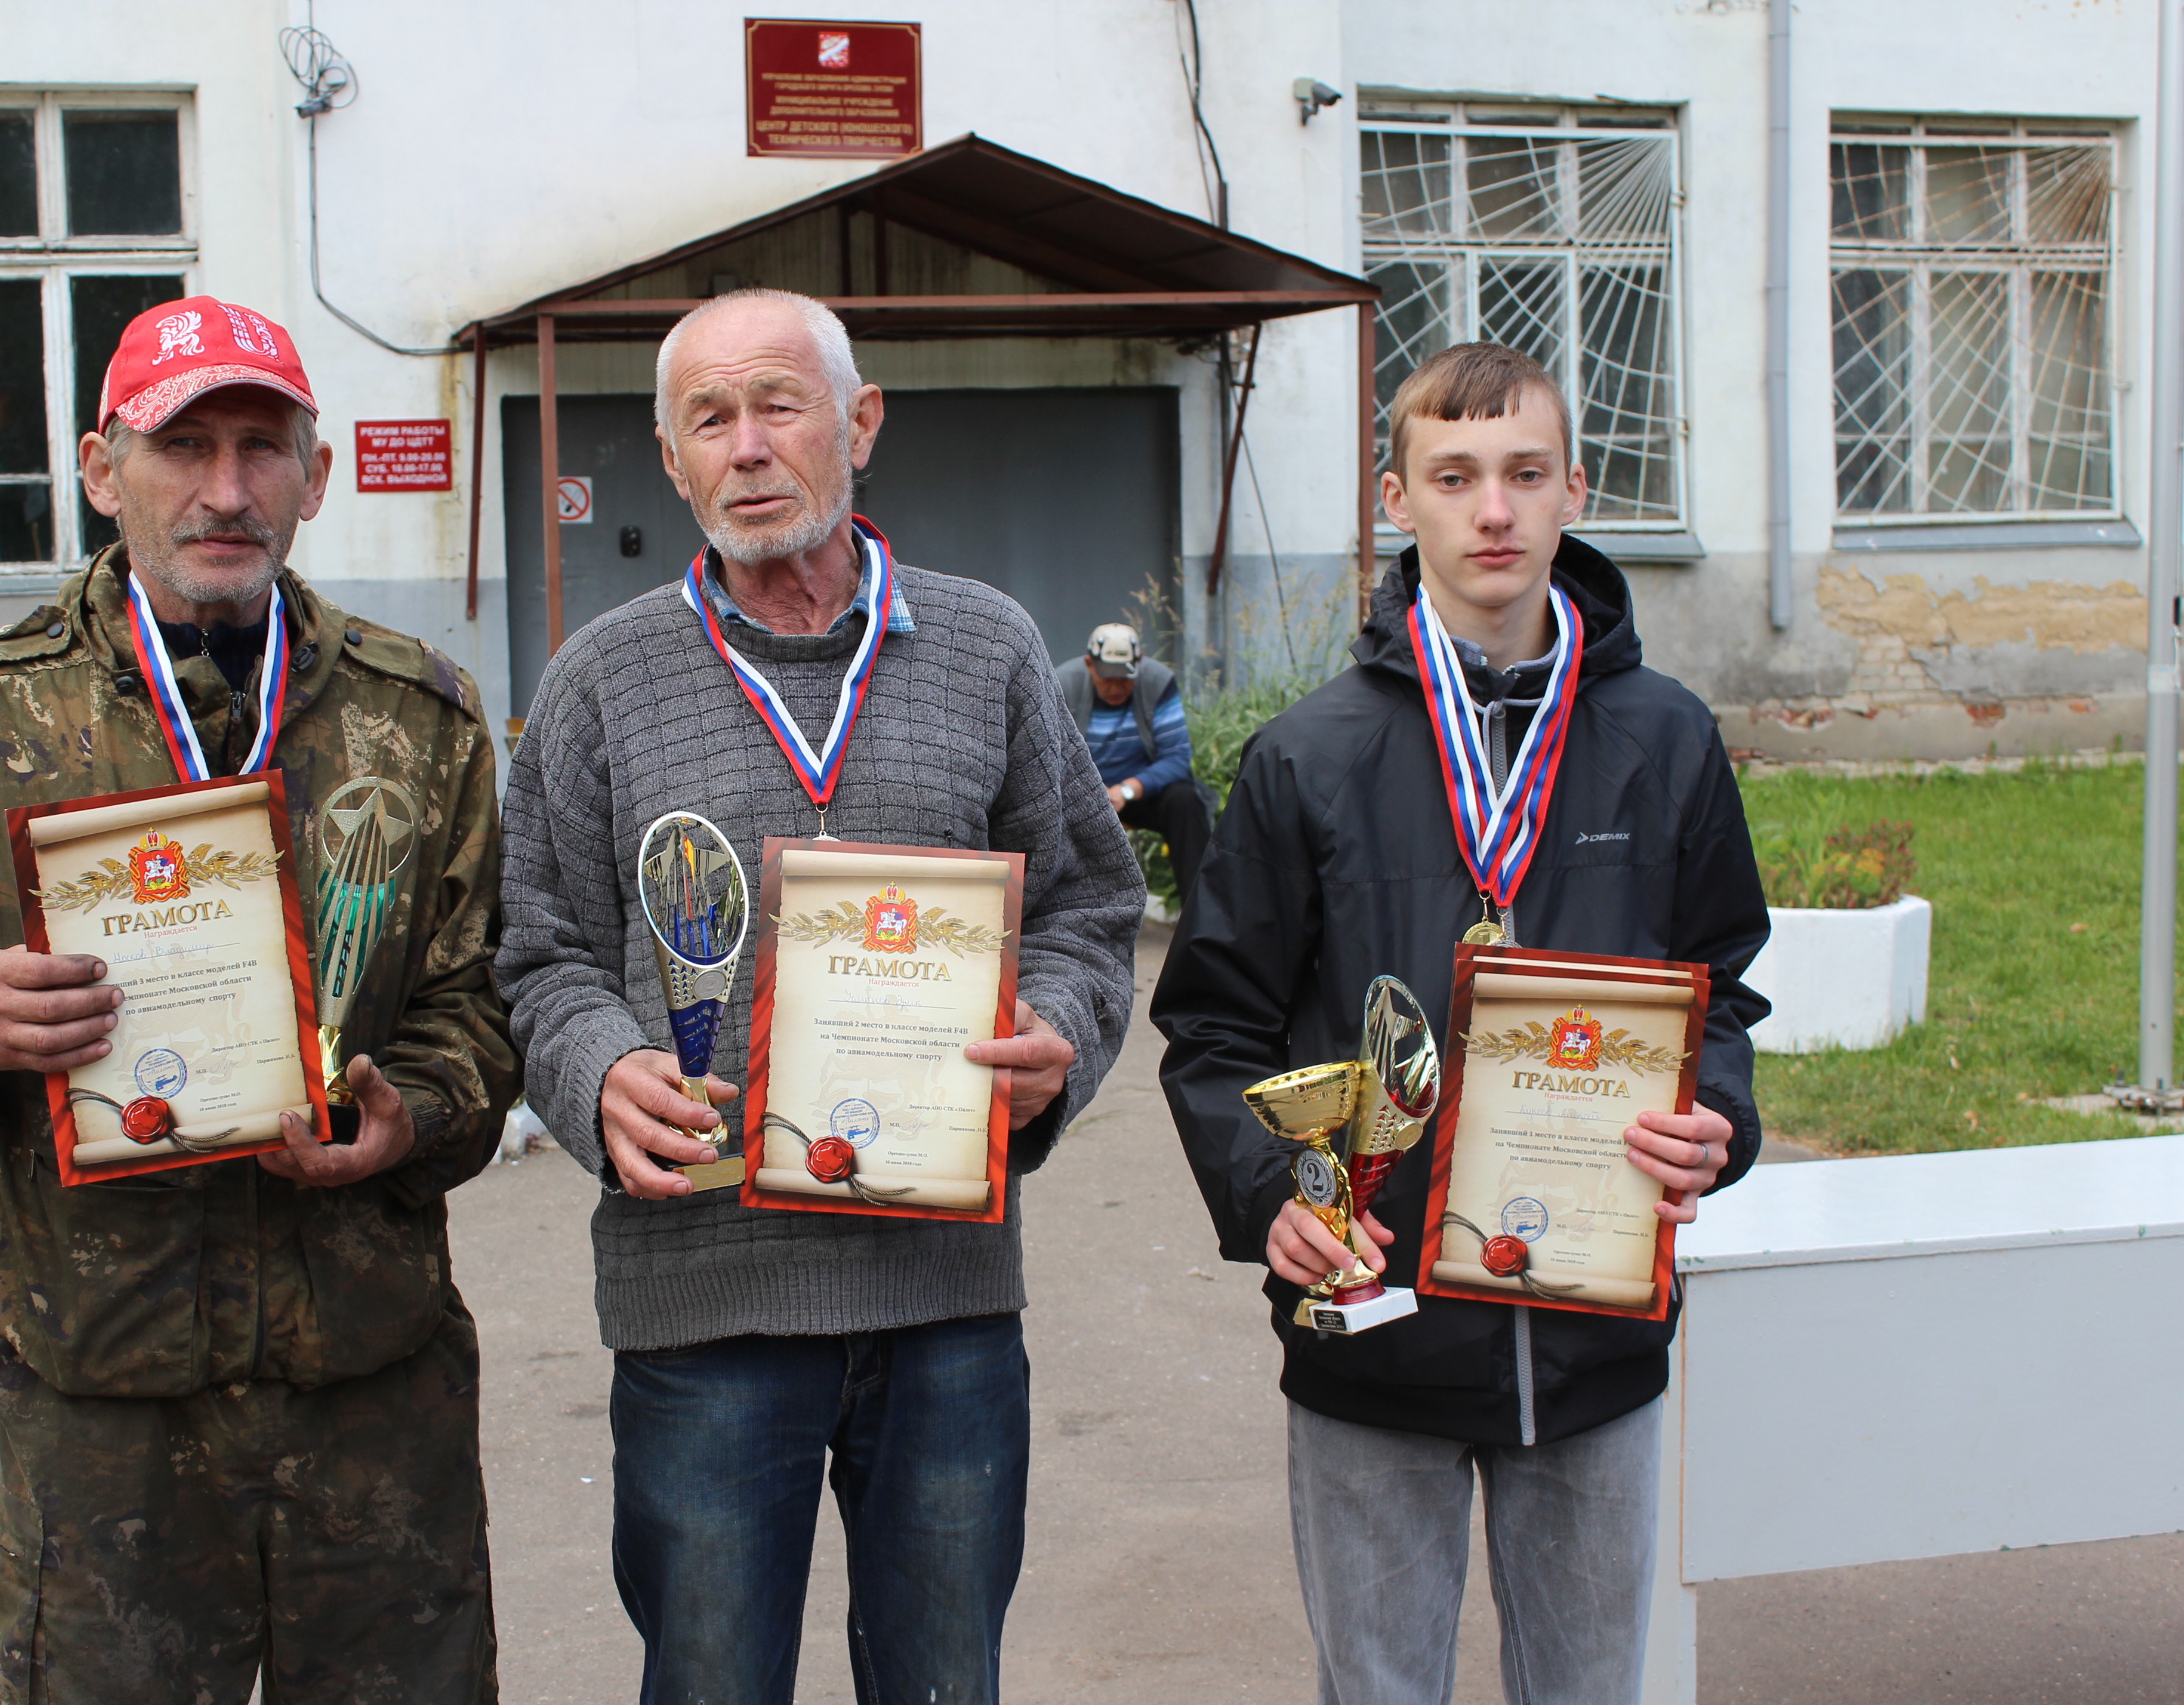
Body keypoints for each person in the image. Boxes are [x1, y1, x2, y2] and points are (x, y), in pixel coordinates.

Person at [0, 296, 517, 1704]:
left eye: (263, 448)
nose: (226, 489)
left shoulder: (419, 719)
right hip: (105, 1406)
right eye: (183, 445)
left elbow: (483, 1000)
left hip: (368, 1390)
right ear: (100, 468)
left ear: (317, 476)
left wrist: (417, 1110)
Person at [497, 287, 1142, 1704]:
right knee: (712, 1679)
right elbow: (537, 948)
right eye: (708, 418)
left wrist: (1061, 1032)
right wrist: (598, 1070)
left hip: (945, 1298)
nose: (746, 446)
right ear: (671, 460)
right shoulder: (600, 677)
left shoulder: (986, 647)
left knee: (944, 1679)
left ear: (860, 423)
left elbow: (1091, 906)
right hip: (703, 1300)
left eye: (779, 404)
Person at [1152, 341, 1770, 1705]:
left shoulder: (1666, 738)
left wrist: (1714, 1119)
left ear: (1574, 491)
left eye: (1525, 473)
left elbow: (1718, 980)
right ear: (1397, 498)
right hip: (1375, 1332)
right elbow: (1214, 1025)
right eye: (1454, 476)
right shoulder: (1310, 756)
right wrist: (1273, 1193)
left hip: (1596, 1337)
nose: (1494, 509)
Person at [1058, 622, 1213, 893]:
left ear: (1139, 662)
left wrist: (1126, 791)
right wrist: (1090, 792)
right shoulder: (1063, 684)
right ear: (1090, 665)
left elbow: (1177, 758)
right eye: (1108, 679)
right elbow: (1049, 756)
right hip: (1080, 795)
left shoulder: (1158, 681)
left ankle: (1200, 908)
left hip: (1139, 793)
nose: (1116, 688)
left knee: (1185, 799)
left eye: (1125, 679)